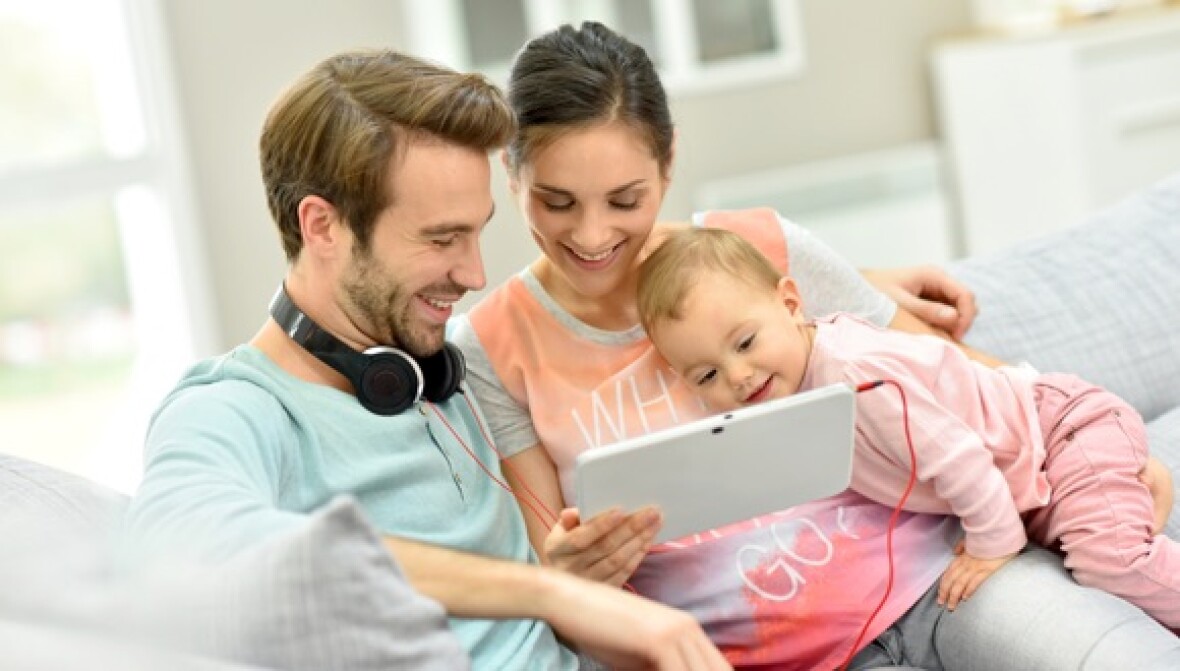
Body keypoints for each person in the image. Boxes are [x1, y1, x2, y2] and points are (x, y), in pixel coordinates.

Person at [449, 20, 1180, 669]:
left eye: (625, 198)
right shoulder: (488, 342)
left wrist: (1096, 448)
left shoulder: (755, 247)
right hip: (760, 649)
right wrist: (573, 571)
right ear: (510, 173)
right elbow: (549, 556)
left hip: (941, 578)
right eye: (556, 202)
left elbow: (943, 368)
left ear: (668, 162)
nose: (592, 234)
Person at [119, 48, 732, 670]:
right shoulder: (236, 409)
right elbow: (180, 545)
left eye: (476, 232)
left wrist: (577, 589)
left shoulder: (439, 370)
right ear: (323, 227)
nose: (473, 273)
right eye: (441, 239)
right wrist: (547, 592)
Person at [637, 225, 1180, 628]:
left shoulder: (855, 375)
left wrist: (993, 545)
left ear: (791, 302)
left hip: (1061, 431)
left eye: (746, 342)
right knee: (1104, 563)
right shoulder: (795, 393)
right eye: (706, 373)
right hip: (1036, 465)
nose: (737, 374)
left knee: (1110, 565)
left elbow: (961, 457)